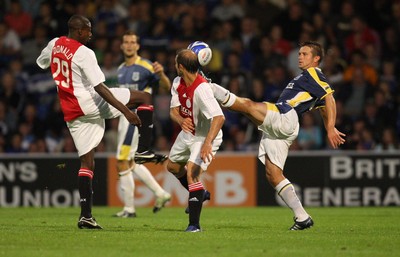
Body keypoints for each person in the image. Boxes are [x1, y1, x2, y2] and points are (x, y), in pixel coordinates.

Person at [211, 41, 346, 230]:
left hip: (285, 117)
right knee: (273, 175)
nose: (300, 56)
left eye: (305, 54)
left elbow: (329, 98)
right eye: (299, 53)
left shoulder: (313, 73)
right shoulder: (306, 79)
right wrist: (328, 125)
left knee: (248, 106)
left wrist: (331, 127)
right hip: (282, 127)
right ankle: (302, 217)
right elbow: (324, 106)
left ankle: (209, 87)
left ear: (316, 59)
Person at [36, 15, 152, 229]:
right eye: (88, 30)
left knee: (87, 163)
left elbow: (41, 62)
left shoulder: (54, 44)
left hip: (71, 112)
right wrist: (127, 112)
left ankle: (86, 216)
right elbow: (101, 87)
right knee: (144, 98)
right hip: (90, 103)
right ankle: (144, 149)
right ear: (79, 31)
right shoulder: (84, 53)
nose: (91, 34)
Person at [113, 31, 171, 218]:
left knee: (123, 161)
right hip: (125, 117)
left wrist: (161, 74)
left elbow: (166, 87)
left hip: (137, 117)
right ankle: (160, 193)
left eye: (132, 42)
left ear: (138, 46)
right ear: (122, 46)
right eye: (126, 42)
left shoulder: (146, 66)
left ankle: (129, 209)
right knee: (132, 161)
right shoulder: (121, 69)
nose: (129, 45)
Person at [166, 49, 225, 232]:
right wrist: (181, 120)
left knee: (191, 173)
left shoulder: (202, 89)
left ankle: (194, 225)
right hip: (188, 133)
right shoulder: (177, 82)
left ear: (181, 67)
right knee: (173, 167)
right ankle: (200, 193)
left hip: (204, 136)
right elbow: (173, 111)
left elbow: (219, 117)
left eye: (176, 64)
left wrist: (208, 143)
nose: (175, 66)